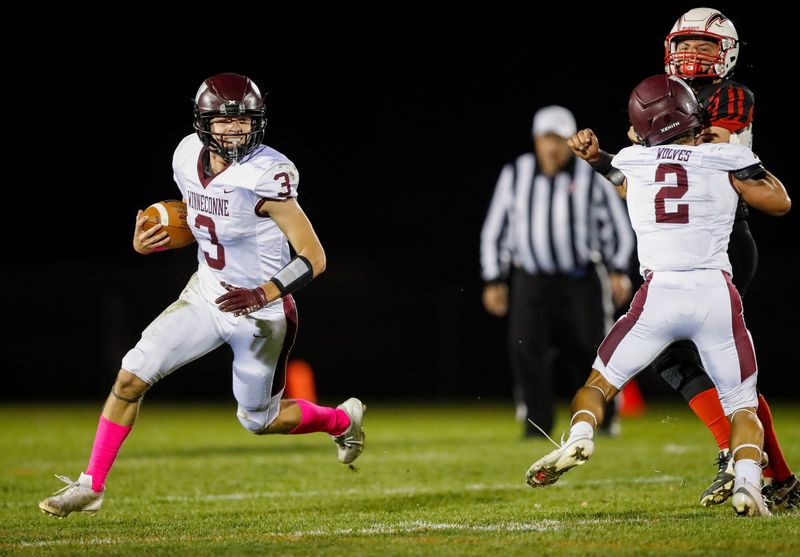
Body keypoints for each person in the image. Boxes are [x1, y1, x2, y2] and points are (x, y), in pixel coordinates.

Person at [38, 73, 366, 518]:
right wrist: (154, 239)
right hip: (207, 294)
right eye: (224, 121)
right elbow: (201, 226)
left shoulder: (269, 173)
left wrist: (262, 292)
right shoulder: (186, 155)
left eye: (245, 119)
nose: (235, 129)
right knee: (130, 377)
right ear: (203, 122)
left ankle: (341, 420)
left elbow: (314, 256)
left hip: (262, 312)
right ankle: (90, 485)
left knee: (259, 420)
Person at [525, 74, 790, 518]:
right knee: (742, 404)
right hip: (713, 294)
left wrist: (599, 156)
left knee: (597, 385)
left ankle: (580, 436)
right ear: (691, 113)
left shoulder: (633, 159)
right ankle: (749, 483)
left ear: (639, 128)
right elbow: (779, 204)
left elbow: (620, 171)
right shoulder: (721, 156)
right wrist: (740, 161)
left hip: (658, 296)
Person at [578, 7, 799, 511]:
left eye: (705, 46)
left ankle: (738, 454)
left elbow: (709, 144)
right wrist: (606, 161)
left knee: (693, 360)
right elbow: (643, 179)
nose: (693, 55)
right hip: (686, 240)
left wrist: (656, 135)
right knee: (703, 365)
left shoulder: (730, 96)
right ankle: (775, 475)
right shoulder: (665, 96)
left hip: (720, 237)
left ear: (727, 53)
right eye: (687, 45)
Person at [480, 105, 634, 438]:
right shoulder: (516, 173)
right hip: (531, 278)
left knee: (594, 349)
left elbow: (619, 226)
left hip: (581, 277)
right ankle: (536, 424)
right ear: (536, 141)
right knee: (527, 349)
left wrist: (619, 269)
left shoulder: (589, 174)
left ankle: (602, 420)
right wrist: (494, 277)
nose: (552, 147)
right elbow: (495, 229)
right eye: (546, 139)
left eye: (559, 139)